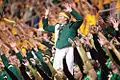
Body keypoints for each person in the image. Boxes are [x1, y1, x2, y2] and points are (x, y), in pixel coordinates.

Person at [42, 3, 83, 75]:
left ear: (66, 18)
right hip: (58, 49)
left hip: (69, 48)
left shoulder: (72, 25)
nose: (59, 18)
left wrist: (71, 11)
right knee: (56, 69)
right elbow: (45, 27)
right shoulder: (57, 26)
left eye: (61, 16)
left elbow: (80, 19)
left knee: (69, 67)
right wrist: (46, 16)